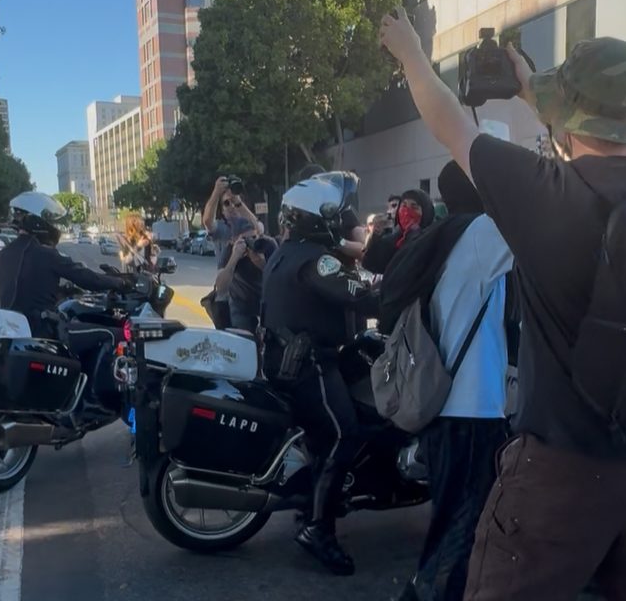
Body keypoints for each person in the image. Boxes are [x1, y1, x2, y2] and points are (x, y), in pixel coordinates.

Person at [381, 11, 626, 601]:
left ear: (568, 118)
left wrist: (411, 56)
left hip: (564, 472)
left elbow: (449, 122)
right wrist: (535, 87)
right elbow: (585, 142)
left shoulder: (545, 195)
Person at [395, 162, 511, 601]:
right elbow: (539, 226)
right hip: (472, 405)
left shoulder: (443, 236)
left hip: (443, 402)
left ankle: (420, 590)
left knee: (448, 516)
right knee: (466, 522)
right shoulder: (482, 234)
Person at [261, 171, 379, 577]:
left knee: (323, 436)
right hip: (308, 366)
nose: (347, 220)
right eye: (341, 214)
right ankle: (319, 529)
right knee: (344, 434)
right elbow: (362, 293)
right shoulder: (317, 258)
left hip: (284, 362)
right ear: (319, 217)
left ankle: (314, 504)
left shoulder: (287, 250)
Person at [0, 192, 131, 337]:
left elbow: (22, 289)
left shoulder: (1, 256)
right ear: (37, 221)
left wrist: (61, 291)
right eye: (50, 220)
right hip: (44, 331)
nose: (54, 226)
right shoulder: (46, 254)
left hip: (12, 334)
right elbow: (87, 279)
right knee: (113, 335)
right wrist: (120, 282)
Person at [202, 175, 263, 329]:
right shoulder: (222, 229)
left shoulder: (251, 227)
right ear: (222, 210)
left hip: (256, 294)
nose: (231, 207)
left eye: (233, 203)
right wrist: (216, 192)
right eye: (226, 204)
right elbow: (208, 221)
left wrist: (237, 201)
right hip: (231, 298)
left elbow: (258, 227)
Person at [215, 217, 277, 333]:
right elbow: (221, 287)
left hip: (266, 303)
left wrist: (261, 263)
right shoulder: (230, 250)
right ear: (234, 240)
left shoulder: (267, 244)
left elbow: (278, 277)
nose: (251, 242)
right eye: (246, 239)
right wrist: (234, 258)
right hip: (241, 304)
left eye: (254, 237)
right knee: (243, 341)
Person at [363, 189, 435, 274]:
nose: (406, 212)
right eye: (404, 206)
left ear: (426, 212)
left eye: (414, 207)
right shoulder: (394, 240)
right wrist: (376, 234)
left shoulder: (433, 240)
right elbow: (370, 264)